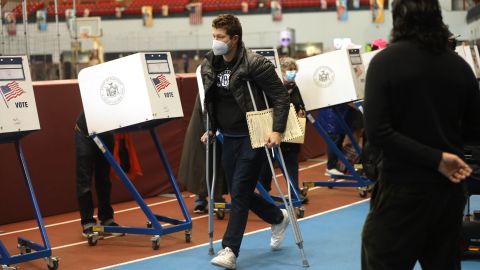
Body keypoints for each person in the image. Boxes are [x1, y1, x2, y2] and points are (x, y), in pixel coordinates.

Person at [361, 0, 480, 269]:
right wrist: (445, 151)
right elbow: (474, 131)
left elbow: (378, 132)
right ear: (438, 18)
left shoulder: (384, 63)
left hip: (401, 189)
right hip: (448, 191)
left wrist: (436, 157)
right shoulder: (459, 67)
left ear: (398, 19)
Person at [200, 14, 290, 269]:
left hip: (255, 136)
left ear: (235, 39)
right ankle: (277, 216)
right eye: (214, 36)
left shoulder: (255, 63)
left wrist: (277, 130)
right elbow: (212, 101)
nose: (215, 42)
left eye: (221, 37)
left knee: (239, 192)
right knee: (239, 191)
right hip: (228, 138)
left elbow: (281, 98)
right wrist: (210, 127)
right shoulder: (211, 63)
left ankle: (230, 249)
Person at [258, 57, 308, 201]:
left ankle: (294, 192)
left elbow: (300, 106)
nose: (292, 72)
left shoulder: (295, 87)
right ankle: (263, 193)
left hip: (293, 131)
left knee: (291, 162)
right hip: (276, 131)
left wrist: (302, 121)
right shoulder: (274, 87)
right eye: (289, 69)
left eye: (294, 69)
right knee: (267, 164)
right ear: (281, 71)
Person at [178, 94, 227, 214]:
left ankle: (213, 199)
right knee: (204, 160)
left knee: (216, 160)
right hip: (204, 120)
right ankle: (205, 199)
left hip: (215, 118)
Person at [75, 111, 120, 236]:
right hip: (84, 132)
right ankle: (87, 222)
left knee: (104, 178)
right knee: (84, 178)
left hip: (106, 131)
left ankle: (107, 219)